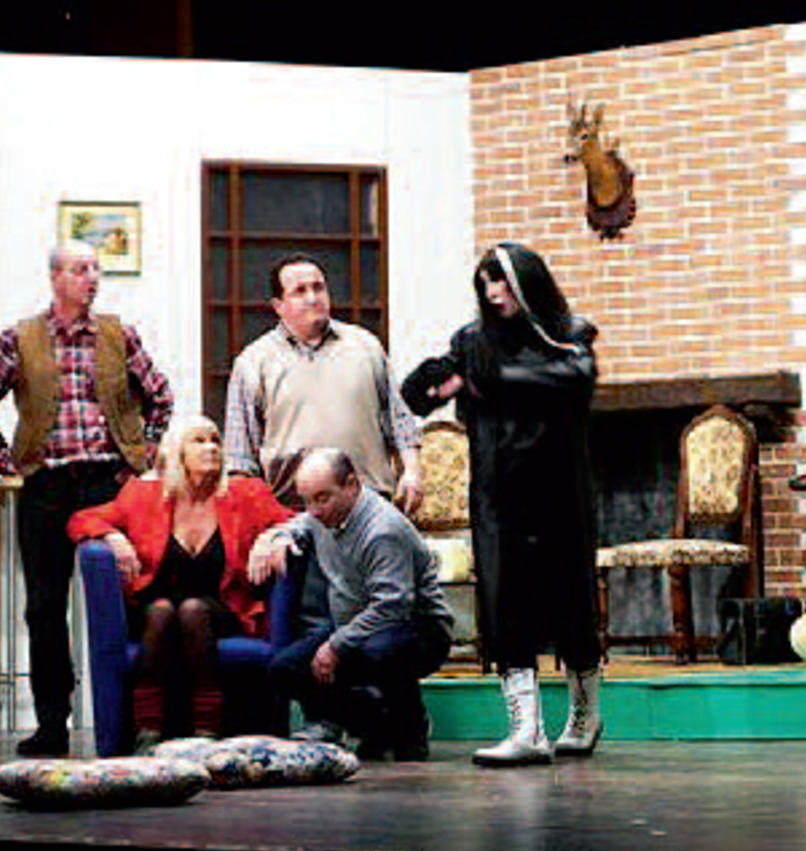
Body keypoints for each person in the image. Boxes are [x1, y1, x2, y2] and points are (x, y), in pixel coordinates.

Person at [0, 240, 173, 756]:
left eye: (96, 269)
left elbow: (160, 397)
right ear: (55, 278)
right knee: (44, 607)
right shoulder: (19, 338)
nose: (92, 278)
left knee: (127, 596)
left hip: (107, 485)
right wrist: (6, 462)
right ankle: (52, 724)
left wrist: (139, 458)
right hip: (47, 487)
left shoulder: (119, 335)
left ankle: (132, 721)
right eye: (80, 270)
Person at [401, 241, 603, 766]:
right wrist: (433, 382)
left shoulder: (569, 334)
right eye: (486, 283)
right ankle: (526, 730)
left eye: (502, 280)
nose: (493, 292)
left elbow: (575, 380)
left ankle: (585, 716)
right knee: (506, 606)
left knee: (572, 604)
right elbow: (419, 397)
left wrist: (487, 382)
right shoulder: (472, 342)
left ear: (528, 282)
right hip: (498, 495)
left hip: (560, 494)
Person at [67, 414, 293, 751]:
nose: (211, 448)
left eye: (215, 440)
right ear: (177, 453)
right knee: (161, 610)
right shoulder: (142, 496)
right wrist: (112, 536)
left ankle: (207, 728)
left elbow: (298, 521)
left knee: (192, 610)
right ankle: (147, 729)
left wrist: (273, 537)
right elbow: (80, 520)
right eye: (199, 441)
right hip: (155, 609)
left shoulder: (247, 494)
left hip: (218, 609)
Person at [253, 449, 454, 760]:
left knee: (379, 651)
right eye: (307, 500)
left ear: (351, 485)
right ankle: (373, 724)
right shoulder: (322, 516)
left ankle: (410, 729)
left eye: (322, 498)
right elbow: (302, 523)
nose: (314, 510)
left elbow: (393, 606)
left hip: (416, 627)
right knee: (284, 668)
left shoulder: (382, 530)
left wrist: (336, 645)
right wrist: (277, 538)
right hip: (354, 622)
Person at [224, 252, 422, 512]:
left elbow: (400, 423)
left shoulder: (366, 346)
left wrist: (412, 472)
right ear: (278, 306)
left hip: (369, 505)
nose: (312, 298)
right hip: (292, 510)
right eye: (299, 291)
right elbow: (240, 459)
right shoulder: (253, 362)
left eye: (318, 288)